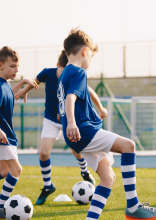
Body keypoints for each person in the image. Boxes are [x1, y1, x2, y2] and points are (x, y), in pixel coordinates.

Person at [57, 28, 156, 220]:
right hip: (84, 131)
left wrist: (87, 114)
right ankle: (133, 205)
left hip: (78, 135)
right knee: (129, 146)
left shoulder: (65, 74)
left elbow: (74, 98)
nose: (91, 61)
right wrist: (72, 123)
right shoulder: (78, 72)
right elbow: (70, 99)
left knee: (108, 178)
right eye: (93, 57)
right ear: (85, 52)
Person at [15, 50, 108, 205]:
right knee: (43, 153)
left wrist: (100, 107)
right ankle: (47, 186)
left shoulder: (72, 75)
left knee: (76, 150)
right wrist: (24, 90)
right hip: (51, 120)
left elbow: (88, 90)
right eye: (61, 72)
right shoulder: (48, 73)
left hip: (68, 120)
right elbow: (35, 82)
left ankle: (84, 171)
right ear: (57, 65)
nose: (63, 76)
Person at [0, 46, 39, 219]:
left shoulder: (5, 85)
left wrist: (22, 84)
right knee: (16, 170)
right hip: (0, 135)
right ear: (0, 65)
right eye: (12, 66)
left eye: (17, 66)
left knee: (5, 171)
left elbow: (10, 95)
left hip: (5, 134)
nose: (16, 70)